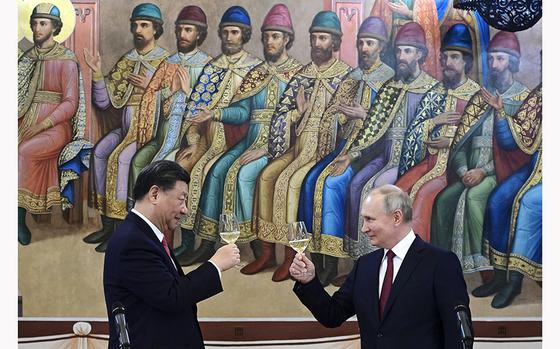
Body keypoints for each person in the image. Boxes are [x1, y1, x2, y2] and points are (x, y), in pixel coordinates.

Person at [188, 4, 303, 265]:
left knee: (243, 175)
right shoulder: (257, 73)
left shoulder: (299, 74)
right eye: (266, 37)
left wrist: (267, 149)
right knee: (217, 171)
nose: (269, 42)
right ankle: (207, 242)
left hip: (282, 146)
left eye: (275, 36)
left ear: (286, 39)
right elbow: (242, 112)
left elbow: (301, 121)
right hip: (250, 141)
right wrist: (215, 114)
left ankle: (260, 249)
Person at [290, 184, 470, 348]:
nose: (363, 228)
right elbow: (332, 315)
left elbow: (458, 337)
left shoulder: (441, 263)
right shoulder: (365, 266)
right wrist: (309, 281)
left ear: (397, 217)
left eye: (370, 219)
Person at [247, 10, 352, 282]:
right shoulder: (303, 75)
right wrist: (299, 113)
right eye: (314, 37)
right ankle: (268, 252)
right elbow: (283, 114)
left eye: (324, 38)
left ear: (335, 43)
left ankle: (294, 256)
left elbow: (347, 121)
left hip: (324, 151)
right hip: (297, 149)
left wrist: (333, 117)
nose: (317, 43)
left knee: (290, 183)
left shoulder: (347, 77)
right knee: (267, 176)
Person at [297, 16, 394, 286]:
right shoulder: (354, 76)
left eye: (370, 43)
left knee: (331, 184)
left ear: (381, 47)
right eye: (361, 42)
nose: (364, 48)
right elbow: (335, 114)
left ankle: (336, 261)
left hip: (372, 152)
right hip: (346, 145)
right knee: (310, 182)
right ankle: (317, 260)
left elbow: (393, 126)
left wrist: (364, 114)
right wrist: (337, 118)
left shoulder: (390, 80)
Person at [103, 160, 240, 348]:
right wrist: (216, 265)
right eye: (181, 199)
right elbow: (171, 295)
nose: (185, 209)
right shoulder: (132, 241)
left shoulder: (144, 235)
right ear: (155, 194)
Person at [431, 31, 529, 273]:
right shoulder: (480, 98)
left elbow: (520, 152)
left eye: (501, 59)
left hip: (501, 173)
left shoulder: (523, 99)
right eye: (492, 59)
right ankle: (443, 265)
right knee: (443, 201)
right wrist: (464, 170)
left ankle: (483, 267)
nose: (494, 65)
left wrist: (483, 172)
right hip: (470, 171)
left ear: (512, 63)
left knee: (474, 198)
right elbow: (462, 143)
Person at [172, 5, 262, 262]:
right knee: (184, 165)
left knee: (207, 171)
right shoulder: (213, 68)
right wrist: (193, 139)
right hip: (208, 138)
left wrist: (216, 114)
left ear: (244, 35)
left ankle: (208, 241)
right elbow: (195, 109)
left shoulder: (254, 69)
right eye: (225, 32)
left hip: (240, 139)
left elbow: (245, 114)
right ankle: (189, 240)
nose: (229, 37)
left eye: (235, 32)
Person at [84, 3, 169, 252]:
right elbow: (104, 101)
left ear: (156, 29)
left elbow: (175, 104)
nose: (138, 30)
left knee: (121, 159)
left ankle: (121, 230)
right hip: (125, 129)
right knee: (99, 153)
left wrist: (151, 87)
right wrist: (98, 73)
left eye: (144, 25)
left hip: (148, 132)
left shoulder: (166, 61)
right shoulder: (127, 60)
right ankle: (107, 224)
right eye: (135, 25)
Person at [127, 5, 212, 252]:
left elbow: (209, 110)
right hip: (164, 135)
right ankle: (142, 229)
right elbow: (153, 99)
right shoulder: (168, 64)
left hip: (191, 137)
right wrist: (169, 92)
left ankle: (178, 239)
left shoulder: (207, 66)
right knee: (136, 163)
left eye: (188, 30)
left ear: (199, 34)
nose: (182, 35)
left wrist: (186, 95)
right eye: (180, 30)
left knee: (169, 173)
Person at [395, 23, 480, 241]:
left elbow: (480, 142)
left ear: (466, 62)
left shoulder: (477, 97)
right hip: (430, 163)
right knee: (397, 192)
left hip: (455, 169)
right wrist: (433, 123)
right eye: (445, 57)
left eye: (454, 57)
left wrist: (451, 142)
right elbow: (414, 131)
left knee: (423, 196)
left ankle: (420, 259)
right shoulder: (435, 92)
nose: (447, 63)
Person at [18, 2, 91, 245]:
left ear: (55, 27)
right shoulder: (28, 58)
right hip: (25, 117)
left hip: (55, 127)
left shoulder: (66, 60)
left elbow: (70, 104)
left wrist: (41, 125)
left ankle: (18, 219)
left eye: (43, 23)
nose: (37, 28)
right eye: (35, 23)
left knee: (23, 151)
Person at [472, 83, 542, 308]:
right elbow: (513, 140)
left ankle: (514, 281)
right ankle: (499, 276)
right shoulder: (541, 93)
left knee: (528, 203)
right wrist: (501, 113)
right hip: (537, 166)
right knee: (498, 200)